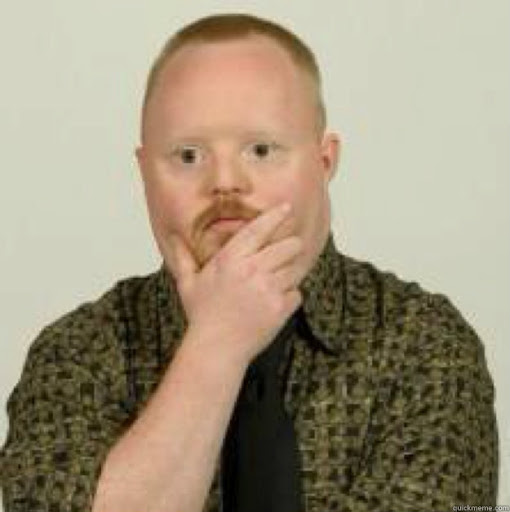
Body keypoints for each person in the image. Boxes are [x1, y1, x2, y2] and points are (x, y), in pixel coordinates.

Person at [0, 13, 498, 512]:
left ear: (324, 162)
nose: (225, 183)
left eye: (260, 150)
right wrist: (216, 345)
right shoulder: (78, 353)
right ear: (144, 173)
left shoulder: (424, 343)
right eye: (189, 156)